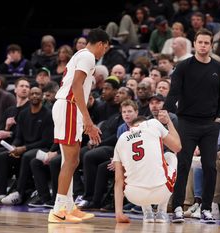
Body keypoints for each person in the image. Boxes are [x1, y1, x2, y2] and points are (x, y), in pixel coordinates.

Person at [164, 28, 220, 224]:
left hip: (210, 125)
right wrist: (165, 113)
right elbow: (174, 92)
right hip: (187, 123)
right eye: (200, 42)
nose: (203, 45)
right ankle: (177, 207)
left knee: (210, 167)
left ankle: (207, 209)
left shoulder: (219, 68)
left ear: (211, 45)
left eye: (206, 43)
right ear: (194, 44)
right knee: (183, 165)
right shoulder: (183, 66)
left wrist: (219, 118)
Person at [48, 28, 110, 223]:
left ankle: (69, 206)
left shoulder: (81, 55)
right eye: (105, 48)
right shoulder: (89, 56)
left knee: (71, 159)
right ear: (101, 44)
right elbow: (76, 86)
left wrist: (83, 118)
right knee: (72, 160)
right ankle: (58, 210)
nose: (104, 53)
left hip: (69, 107)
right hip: (69, 106)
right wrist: (88, 120)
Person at [114, 111, 182, 223]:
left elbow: (118, 181)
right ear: (145, 123)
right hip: (161, 193)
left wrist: (119, 213)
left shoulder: (122, 138)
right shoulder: (153, 124)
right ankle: (161, 212)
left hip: (134, 197)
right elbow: (177, 147)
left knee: (135, 170)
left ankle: (147, 213)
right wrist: (169, 122)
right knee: (170, 156)